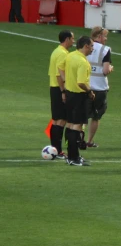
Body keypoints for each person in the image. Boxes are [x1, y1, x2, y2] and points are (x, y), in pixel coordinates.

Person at [63, 36, 95, 166]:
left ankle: (71, 156)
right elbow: (81, 82)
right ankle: (73, 158)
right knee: (76, 126)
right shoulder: (83, 62)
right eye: (92, 46)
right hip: (79, 96)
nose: (93, 48)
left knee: (70, 125)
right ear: (86, 46)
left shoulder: (70, 56)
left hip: (69, 93)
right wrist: (90, 92)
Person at [85, 27, 114, 148]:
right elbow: (106, 70)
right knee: (96, 117)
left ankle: (78, 140)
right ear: (99, 36)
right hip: (100, 88)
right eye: (105, 36)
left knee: (83, 117)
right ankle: (89, 141)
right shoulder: (105, 50)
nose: (106, 39)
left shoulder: (84, 47)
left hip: (85, 86)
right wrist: (111, 68)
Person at [48, 30, 74, 158]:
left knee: (57, 120)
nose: (73, 41)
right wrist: (64, 91)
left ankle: (54, 150)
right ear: (67, 39)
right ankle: (57, 151)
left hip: (54, 87)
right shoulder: (63, 54)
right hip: (59, 88)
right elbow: (59, 74)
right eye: (72, 38)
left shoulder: (56, 51)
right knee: (61, 120)